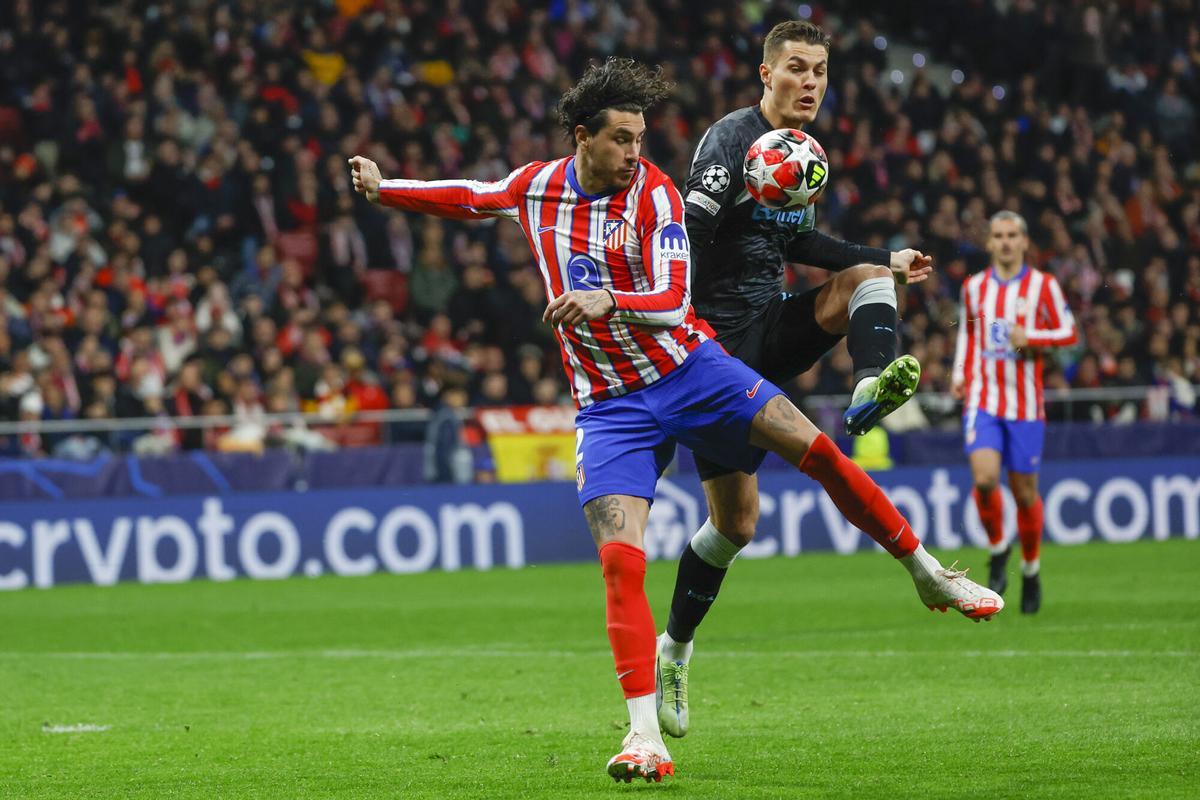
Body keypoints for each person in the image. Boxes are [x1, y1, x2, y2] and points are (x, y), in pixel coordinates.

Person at [349, 58, 1001, 784]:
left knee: (816, 452)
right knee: (621, 560)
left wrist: (608, 300)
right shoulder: (536, 188)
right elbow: (469, 197)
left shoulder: (656, 194)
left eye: (641, 138)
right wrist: (386, 188)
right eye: (621, 139)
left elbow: (668, 297)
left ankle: (928, 573)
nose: (637, 152)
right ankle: (643, 737)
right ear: (582, 137)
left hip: (691, 369)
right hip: (610, 407)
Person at [656, 20, 934, 739]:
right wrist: (681, 330)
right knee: (736, 525)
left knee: (868, 280)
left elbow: (800, 240)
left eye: (820, 71)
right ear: (767, 73)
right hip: (716, 350)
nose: (810, 82)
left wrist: (887, 255)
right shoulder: (731, 140)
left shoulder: (801, 153)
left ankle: (869, 384)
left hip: (772, 323)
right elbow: (689, 235)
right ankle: (674, 649)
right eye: (798, 68)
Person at [952, 210, 1077, 614]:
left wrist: (1032, 336)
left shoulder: (1044, 285)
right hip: (983, 397)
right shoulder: (974, 287)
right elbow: (968, 332)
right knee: (985, 479)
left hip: (1025, 404)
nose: (1005, 242)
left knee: (1025, 495)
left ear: (1024, 242)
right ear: (989, 243)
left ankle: (1031, 568)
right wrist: (958, 373)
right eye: (998, 236)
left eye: (1012, 235)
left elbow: (1069, 332)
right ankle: (997, 548)